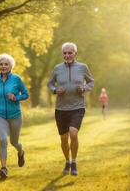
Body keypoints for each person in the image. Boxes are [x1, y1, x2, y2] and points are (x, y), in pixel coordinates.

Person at [48, 42, 94, 176]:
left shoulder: (82, 67)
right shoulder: (57, 68)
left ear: (75, 53)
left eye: (70, 53)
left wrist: (84, 88)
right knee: (63, 139)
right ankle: (67, 161)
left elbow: (91, 81)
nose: (67, 55)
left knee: (73, 134)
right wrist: (55, 90)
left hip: (77, 107)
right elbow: (50, 84)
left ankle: (74, 162)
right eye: (65, 53)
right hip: (61, 109)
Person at [0, 53, 29, 178]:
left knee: (14, 142)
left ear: (11, 65)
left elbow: (26, 94)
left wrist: (15, 97)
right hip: (0, 114)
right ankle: (4, 168)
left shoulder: (16, 79)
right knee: (3, 140)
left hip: (15, 115)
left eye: (6, 64)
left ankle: (21, 152)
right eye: (1, 64)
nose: (3, 66)